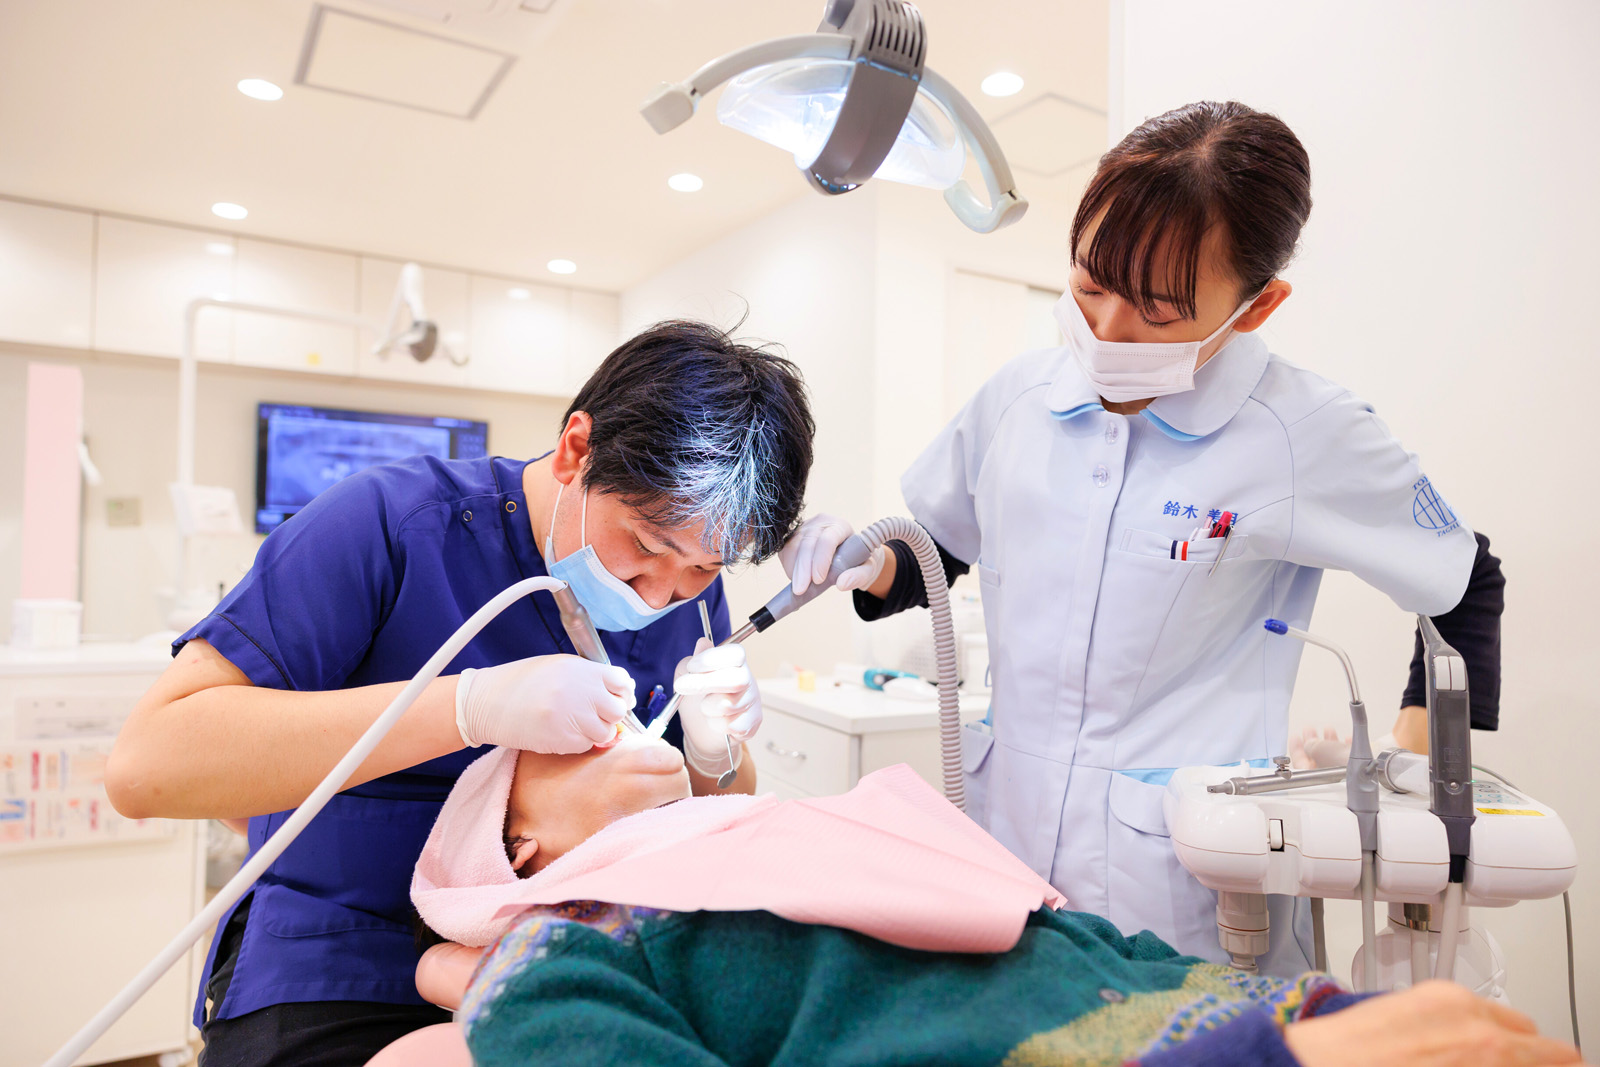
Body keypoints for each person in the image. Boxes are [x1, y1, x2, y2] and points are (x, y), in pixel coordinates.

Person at [782, 101, 1506, 973]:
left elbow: (1468, 582)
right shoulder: (1017, 397)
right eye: (1090, 285)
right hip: (998, 853)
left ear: (1258, 304)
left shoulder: (1299, 433)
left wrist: (1411, 769)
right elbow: (939, 551)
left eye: (1158, 310)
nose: (1107, 331)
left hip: (1188, 897)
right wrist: (866, 565)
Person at [104, 319, 817, 1066]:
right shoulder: (391, 524)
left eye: (708, 567)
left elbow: (705, 809)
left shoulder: (691, 593)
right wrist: (464, 705)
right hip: (340, 962)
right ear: (578, 449)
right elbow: (147, 766)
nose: (665, 591)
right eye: (645, 546)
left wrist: (714, 748)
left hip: (566, 958)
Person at [391, 740, 1578, 1067]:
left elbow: (1047, 920)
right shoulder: (561, 938)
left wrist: (1277, 1004)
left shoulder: (800, 829)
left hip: (1212, 1009)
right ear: (520, 841)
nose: (615, 717)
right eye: (565, 740)